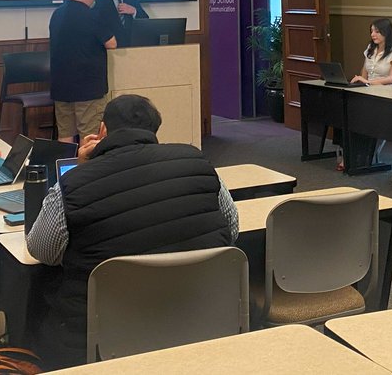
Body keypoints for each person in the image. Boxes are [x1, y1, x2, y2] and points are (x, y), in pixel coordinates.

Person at [26, 94, 237, 367]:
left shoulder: (74, 182)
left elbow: (42, 250)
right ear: (155, 129)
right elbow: (231, 230)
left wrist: (80, 171)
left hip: (103, 335)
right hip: (200, 314)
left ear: (102, 130)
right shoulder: (199, 162)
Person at [50, 0, 117, 142]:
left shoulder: (57, 14)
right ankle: (86, 168)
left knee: (65, 135)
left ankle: (66, 168)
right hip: (88, 87)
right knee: (89, 136)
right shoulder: (92, 15)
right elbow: (112, 43)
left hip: (61, 86)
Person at [349, 19, 392, 86]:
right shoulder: (370, 48)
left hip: (385, 91)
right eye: (371, 31)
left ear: (386, 33)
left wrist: (368, 82)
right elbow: (364, 74)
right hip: (367, 89)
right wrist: (360, 80)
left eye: (377, 32)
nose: (372, 34)